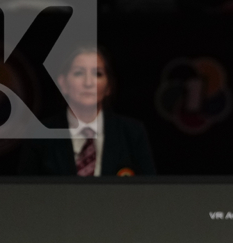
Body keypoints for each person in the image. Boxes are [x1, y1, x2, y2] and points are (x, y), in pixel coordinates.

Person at [17, 48, 156, 176]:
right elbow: (24, 194)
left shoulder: (132, 133)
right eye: (79, 73)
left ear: (109, 86)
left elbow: (150, 193)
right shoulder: (39, 134)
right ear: (63, 83)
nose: (88, 83)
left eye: (98, 74)